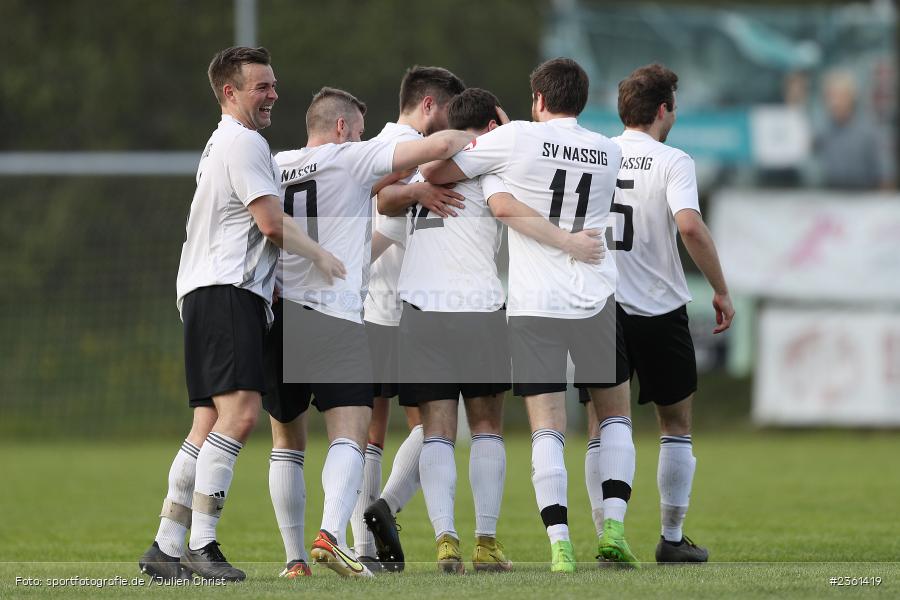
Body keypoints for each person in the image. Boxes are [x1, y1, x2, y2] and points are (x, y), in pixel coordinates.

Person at [138, 46, 345, 583]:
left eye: (274, 84)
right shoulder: (246, 141)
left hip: (210, 292)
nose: (273, 93)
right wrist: (319, 254)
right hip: (226, 292)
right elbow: (271, 223)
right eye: (261, 86)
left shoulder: (221, 142)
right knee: (241, 416)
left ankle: (165, 544)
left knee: (207, 421)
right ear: (230, 92)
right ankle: (203, 545)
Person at [421, 58, 633, 572]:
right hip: (595, 295)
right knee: (616, 417)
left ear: (538, 99)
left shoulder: (515, 137)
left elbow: (437, 172)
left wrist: (489, 160)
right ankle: (615, 530)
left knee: (547, 427)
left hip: (536, 303)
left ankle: (559, 543)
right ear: (582, 100)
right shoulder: (608, 150)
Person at [265, 87, 474, 578]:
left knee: (285, 441)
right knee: (351, 431)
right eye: (359, 130)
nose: (362, 137)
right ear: (341, 130)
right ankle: (330, 536)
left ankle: (295, 560)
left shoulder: (276, 164)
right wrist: (485, 130)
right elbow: (437, 148)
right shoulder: (351, 158)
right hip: (333, 316)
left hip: (280, 313)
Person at [581, 63, 734, 564]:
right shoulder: (673, 160)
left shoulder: (595, 153)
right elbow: (689, 226)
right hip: (660, 307)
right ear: (664, 109)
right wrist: (720, 288)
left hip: (602, 304)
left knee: (601, 426)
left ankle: (608, 535)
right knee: (675, 424)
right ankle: (670, 537)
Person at [350, 66, 467, 572]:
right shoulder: (406, 150)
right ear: (427, 105)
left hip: (374, 307)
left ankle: (366, 545)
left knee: (370, 431)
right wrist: (419, 190)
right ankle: (383, 510)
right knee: (439, 426)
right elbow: (387, 202)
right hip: (409, 309)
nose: (451, 123)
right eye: (447, 111)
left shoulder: (375, 145)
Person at [815, 70, 893, 190]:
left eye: (839, 96)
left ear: (851, 96)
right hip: (830, 195)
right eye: (829, 96)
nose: (834, 102)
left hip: (865, 197)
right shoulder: (822, 130)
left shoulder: (870, 130)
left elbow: (885, 175)